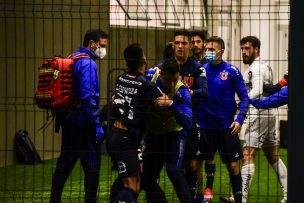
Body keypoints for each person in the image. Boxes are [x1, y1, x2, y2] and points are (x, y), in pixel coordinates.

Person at [49, 29, 108, 203]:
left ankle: (54, 199)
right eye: (102, 46)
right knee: (91, 166)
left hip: (68, 120)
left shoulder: (71, 58)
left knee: (65, 163)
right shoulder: (89, 64)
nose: (103, 50)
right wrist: (96, 124)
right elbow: (88, 96)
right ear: (92, 44)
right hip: (84, 123)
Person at [107, 43, 164, 203]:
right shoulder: (146, 86)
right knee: (132, 186)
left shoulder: (120, 79)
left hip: (115, 135)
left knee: (133, 183)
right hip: (126, 140)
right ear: (143, 60)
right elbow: (165, 101)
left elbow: (115, 101)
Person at [197, 36, 249, 203]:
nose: (208, 53)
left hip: (227, 127)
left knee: (233, 166)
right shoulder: (201, 70)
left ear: (221, 51)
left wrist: (239, 119)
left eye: (211, 50)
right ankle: (206, 191)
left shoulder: (232, 71)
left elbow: (244, 98)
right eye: (206, 49)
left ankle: (239, 200)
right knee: (205, 161)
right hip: (205, 126)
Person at [142, 58, 193, 203]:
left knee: (174, 171)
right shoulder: (149, 76)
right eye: (167, 80)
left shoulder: (182, 90)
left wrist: (171, 104)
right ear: (161, 74)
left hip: (175, 135)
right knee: (147, 179)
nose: (171, 84)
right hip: (154, 134)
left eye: (175, 79)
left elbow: (188, 122)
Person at [167, 29, 208, 202]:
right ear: (173, 45)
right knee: (173, 166)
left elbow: (204, 91)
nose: (180, 46)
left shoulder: (197, 68)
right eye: (177, 43)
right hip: (168, 123)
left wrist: (187, 92)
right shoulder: (165, 66)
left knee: (192, 165)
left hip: (191, 122)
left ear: (190, 46)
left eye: (184, 43)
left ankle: (192, 197)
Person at [189, 30, 218, 202]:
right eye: (192, 42)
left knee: (209, 155)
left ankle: (209, 188)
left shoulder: (210, 62)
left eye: (198, 42)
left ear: (204, 43)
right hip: (194, 116)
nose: (195, 45)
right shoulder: (190, 64)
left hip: (211, 115)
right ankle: (198, 192)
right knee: (195, 158)